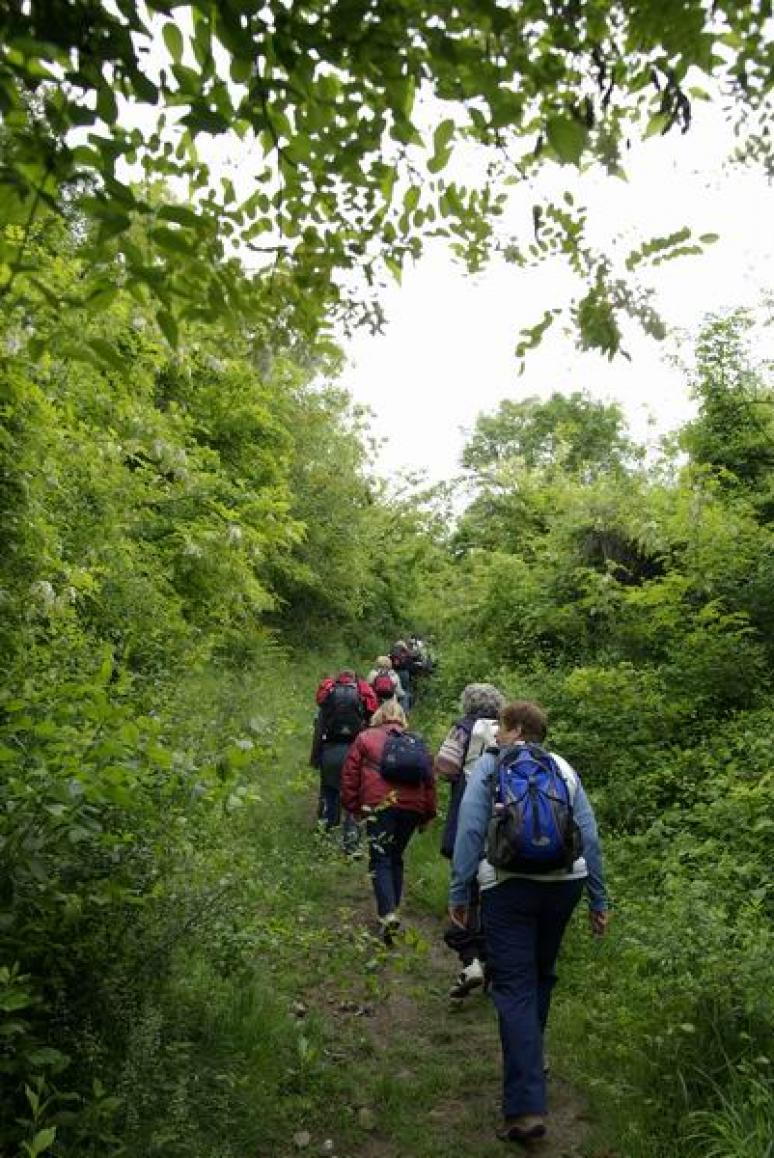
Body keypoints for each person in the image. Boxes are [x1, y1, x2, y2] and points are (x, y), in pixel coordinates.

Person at [449, 700, 609, 1144]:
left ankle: (524, 1109)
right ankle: (530, 1061)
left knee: (515, 986)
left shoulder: (491, 765)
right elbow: (588, 836)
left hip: (508, 885)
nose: (497, 736)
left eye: (500, 728)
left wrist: (460, 892)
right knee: (540, 975)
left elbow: (469, 829)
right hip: (566, 884)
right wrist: (599, 897)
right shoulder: (562, 767)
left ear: (516, 728)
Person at [341, 698, 436, 941]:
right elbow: (429, 782)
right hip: (412, 808)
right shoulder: (417, 742)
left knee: (381, 858)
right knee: (395, 857)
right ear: (402, 718)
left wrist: (353, 807)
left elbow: (350, 775)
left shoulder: (365, 738)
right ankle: (391, 910)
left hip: (378, 805)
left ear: (379, 716)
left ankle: (388, 914)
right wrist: (427, 814)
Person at [435, 682, 505, 999]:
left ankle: (472, 959)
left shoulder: (463, 729)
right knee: (495, 892)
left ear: (468, 703)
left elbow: (445, 767)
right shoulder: (509, 731)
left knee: (468, 888)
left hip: (468, 815)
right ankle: (494, 964)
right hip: (505, 826)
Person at [310, 669, 378, 853]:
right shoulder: (362, 697)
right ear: (355, 681)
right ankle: (351, 844)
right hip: (355, 754)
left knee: (329, 793)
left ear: (338, 680)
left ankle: (323, 841)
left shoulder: (329, 697)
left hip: (331, 751)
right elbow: (371, 732)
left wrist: (315, 758)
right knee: (353, 798)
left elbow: (318, 733)